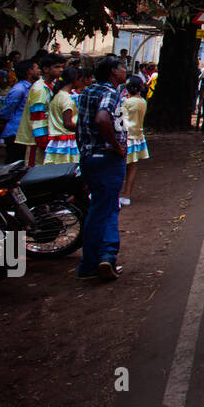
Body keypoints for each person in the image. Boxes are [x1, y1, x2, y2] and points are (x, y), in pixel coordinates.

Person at [76, 55, 129, 280]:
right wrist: (115, 146)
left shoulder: (87, 92)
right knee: (106, 208)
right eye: (121, 67)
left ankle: (95, 260)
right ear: (113, 73)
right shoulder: (110, 93)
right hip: (106, 158)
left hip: (88, 157)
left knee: (99, 208)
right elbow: (101, 119)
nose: (125, 71)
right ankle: (103, 258)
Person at [44, 66, 88, 164]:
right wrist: (85, 127)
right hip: (67, 141)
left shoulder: (58, 95)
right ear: (76, 80)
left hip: (58, 141)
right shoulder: (67, 99)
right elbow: (68, 123)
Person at [0, 58, 37, 164]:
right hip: (15, 131)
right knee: (14, 163)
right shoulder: (20, 89)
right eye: (36, 68)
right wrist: (2, 123)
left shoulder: (32, 88)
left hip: (23, 132)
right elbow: (8, 109)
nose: (39, 71)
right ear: (29, 71)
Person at [120, 75, 149, 206]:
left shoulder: (126, 102)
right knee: (132, 167)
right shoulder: (143, 101)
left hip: (126, 136)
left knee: (119, 167)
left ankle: (117, 195)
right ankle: (127, 195)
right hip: (137, 136)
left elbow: (119, 120)